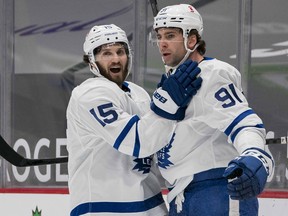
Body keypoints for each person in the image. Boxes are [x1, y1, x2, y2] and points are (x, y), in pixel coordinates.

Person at [151, 4, 275, 216]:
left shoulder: (211, 74)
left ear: (191, 39)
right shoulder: (169, 83)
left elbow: (242, 121)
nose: (162, 43)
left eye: (170, 35)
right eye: (159, 36)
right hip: (181, 195)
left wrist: (254, 153)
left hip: (215, 193)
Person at [66, 24, 202, 216]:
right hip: (103, 208)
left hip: (151, 205)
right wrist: (167, 106)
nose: (115, 59)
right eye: (106, 53)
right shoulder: (89, 94)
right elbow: (137, 141)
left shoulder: (137, 93)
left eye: (120, 51)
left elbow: (158, 141)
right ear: (91, 61)